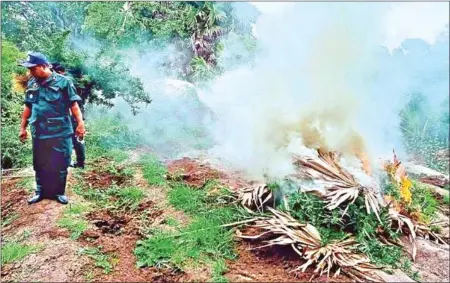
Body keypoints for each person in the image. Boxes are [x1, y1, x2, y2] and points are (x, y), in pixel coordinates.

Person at [18, 52, 85, 205]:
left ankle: (59, 192)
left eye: (33, 69)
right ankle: (40, 191)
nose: (30, 72)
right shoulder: (32, 83)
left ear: (44, 66)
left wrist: (80, 124)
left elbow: (74, 105)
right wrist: (23, 127)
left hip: (60, 132)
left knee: (61, 162)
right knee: (39, 162)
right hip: (39, 131)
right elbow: (28, 107)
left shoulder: (63, 82)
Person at [51, 62, 86, 169]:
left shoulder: (64, 81)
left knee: (75, 139)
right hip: (70, 115)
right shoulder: (65, 80)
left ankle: (79, 162)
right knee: (73, 139)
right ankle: (76, 162)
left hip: (71, 115)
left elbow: (73, 102)